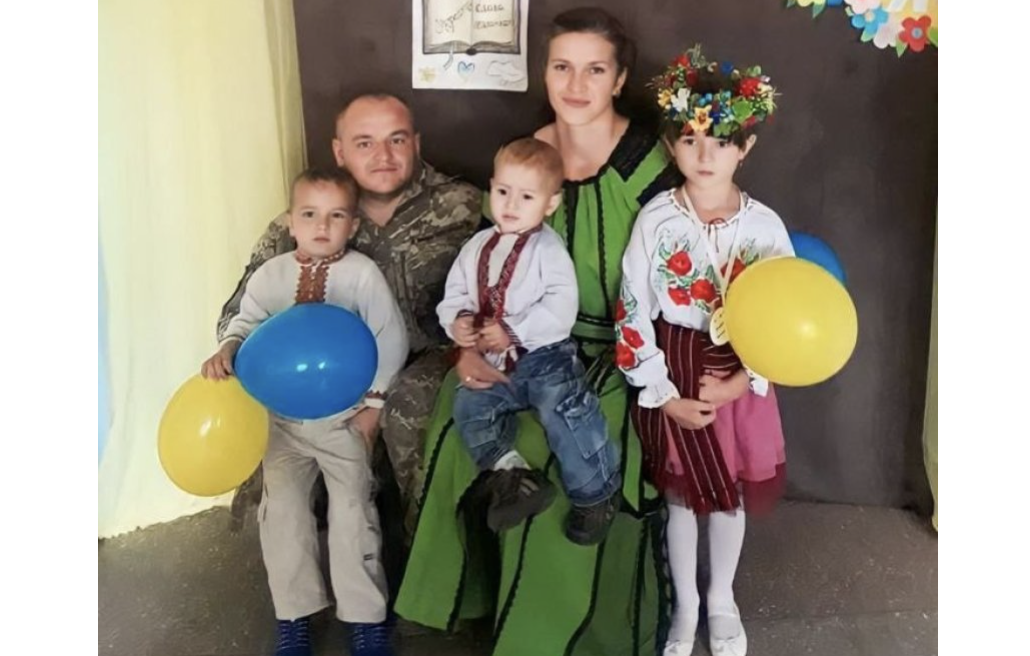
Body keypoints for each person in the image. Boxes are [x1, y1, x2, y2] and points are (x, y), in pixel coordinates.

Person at [395, 8, 683, 655]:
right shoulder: (525, 159)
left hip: (624, 350)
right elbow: (484, 265)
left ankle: (556, 631)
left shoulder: (646, 164)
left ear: (619, 79)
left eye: (595, 69)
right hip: (516, 343)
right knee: (458, 412)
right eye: (562, 67)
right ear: (544, 72)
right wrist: (467, 348)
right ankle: (473, 597)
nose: (576, 84)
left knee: (564, 436)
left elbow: (681, 268)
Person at [217, 94, 481, 538]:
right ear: (339, 151)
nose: (383, 155)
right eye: (364, 143)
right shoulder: (305, 219)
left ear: (416, 143)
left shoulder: (464, 206)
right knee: (280, 449)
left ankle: (426, 551)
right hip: (324, 374)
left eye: (396, 139)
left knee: (411, 406)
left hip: (427, 360)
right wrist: (234, 355)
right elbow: (239, 312)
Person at [616, 46, 791, 656]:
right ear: (671, 147)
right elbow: (633, 306)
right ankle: (685, 606)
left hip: (736, 378)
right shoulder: (656, 221)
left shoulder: (765, 227)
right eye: (690, 140)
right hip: (677, 369)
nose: (705, 154)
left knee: (728, 496)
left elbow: (787, 316)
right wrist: (662, 393)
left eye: (721, 141)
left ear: (745, 147)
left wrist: (744, 380)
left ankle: (721, 600)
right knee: (681, 499)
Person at [203, 167, 409, 656]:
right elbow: (246, 324)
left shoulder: (362, 275)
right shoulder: (270, 275)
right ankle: (293, 615)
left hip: (343, 418)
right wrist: (229, 348)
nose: (322, 225)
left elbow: (390, 338)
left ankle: (365, 617)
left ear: (352, 225)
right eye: (310, 214)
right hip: (282, 423)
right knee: (282, 514)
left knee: (353, 513)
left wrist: (374, 406)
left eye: (336, 216)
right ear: (291, 222)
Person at [439, 137, 621, 545]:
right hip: (493, 360)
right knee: (469, 406)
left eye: (526, 196)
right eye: (503, 191)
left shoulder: (548, 251)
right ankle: (515, 476)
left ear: (550, 204)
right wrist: (459, 322)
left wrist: (514, 330)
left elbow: (561, 307)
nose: (511, 204)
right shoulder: (476, 247)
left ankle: (596, 491)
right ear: (491, 189)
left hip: (544, 356)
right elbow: (456, 294)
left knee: (565, 409)